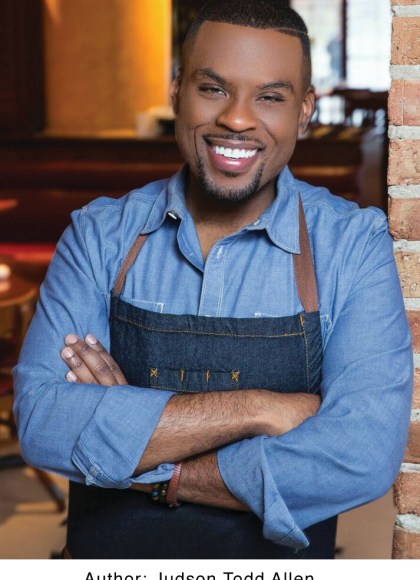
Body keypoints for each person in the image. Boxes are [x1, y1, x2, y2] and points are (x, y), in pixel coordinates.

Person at [14, 0, 413, 559]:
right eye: (213, 89)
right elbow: (44, 423)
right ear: (178, 91)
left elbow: (361, 456)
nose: (237, 119)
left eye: (270, 97)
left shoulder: (352, 246)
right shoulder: (99, 236)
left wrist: (153, 465)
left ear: (304, 111)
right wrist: (260, 408)